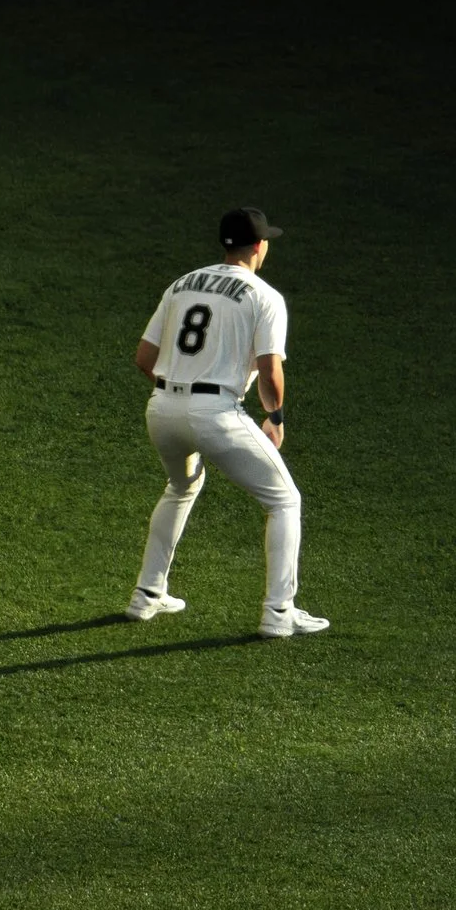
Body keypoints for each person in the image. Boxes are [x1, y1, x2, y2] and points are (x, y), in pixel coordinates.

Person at [126, 207, 329, 638]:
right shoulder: (264, 295)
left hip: (161, 408)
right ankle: (278, 613)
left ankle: (146, 595)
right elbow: (270, 371)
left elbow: (145, 358)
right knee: (284, 501)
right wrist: (274, 416)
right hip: (215, 414)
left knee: (181, 486)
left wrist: (177, 392)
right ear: (259, 246)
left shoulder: (181, 284)